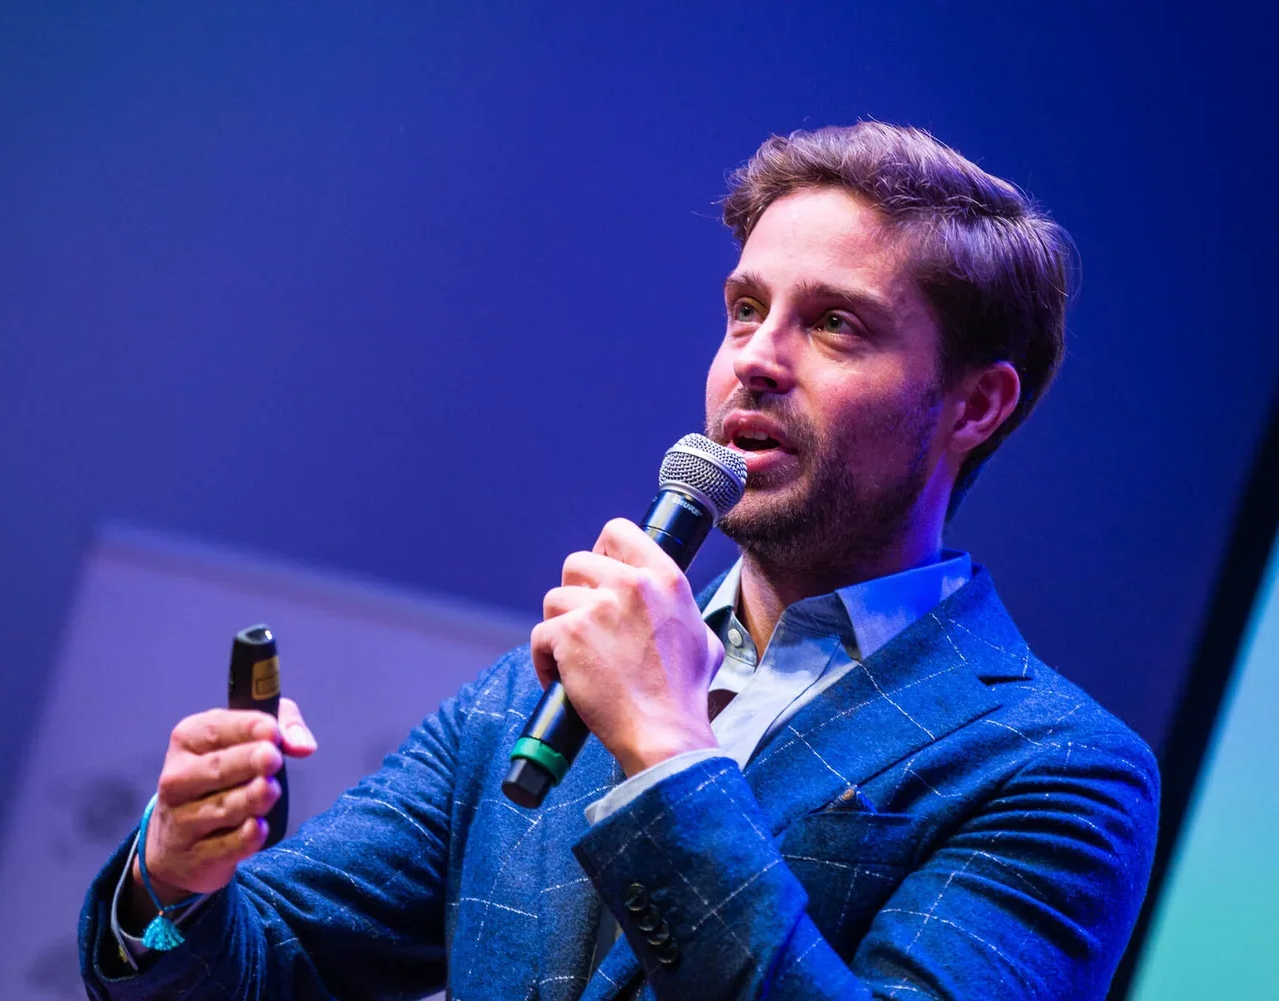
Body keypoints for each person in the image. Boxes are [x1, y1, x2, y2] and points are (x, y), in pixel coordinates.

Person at [78, 122, 1158, 1000]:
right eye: (745, 308)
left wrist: (666, 749)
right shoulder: (543, 687)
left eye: (834, 325)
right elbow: (265, 966)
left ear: (975, 404)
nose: (757, 360)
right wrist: (173, 872)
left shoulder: (1057, 770)